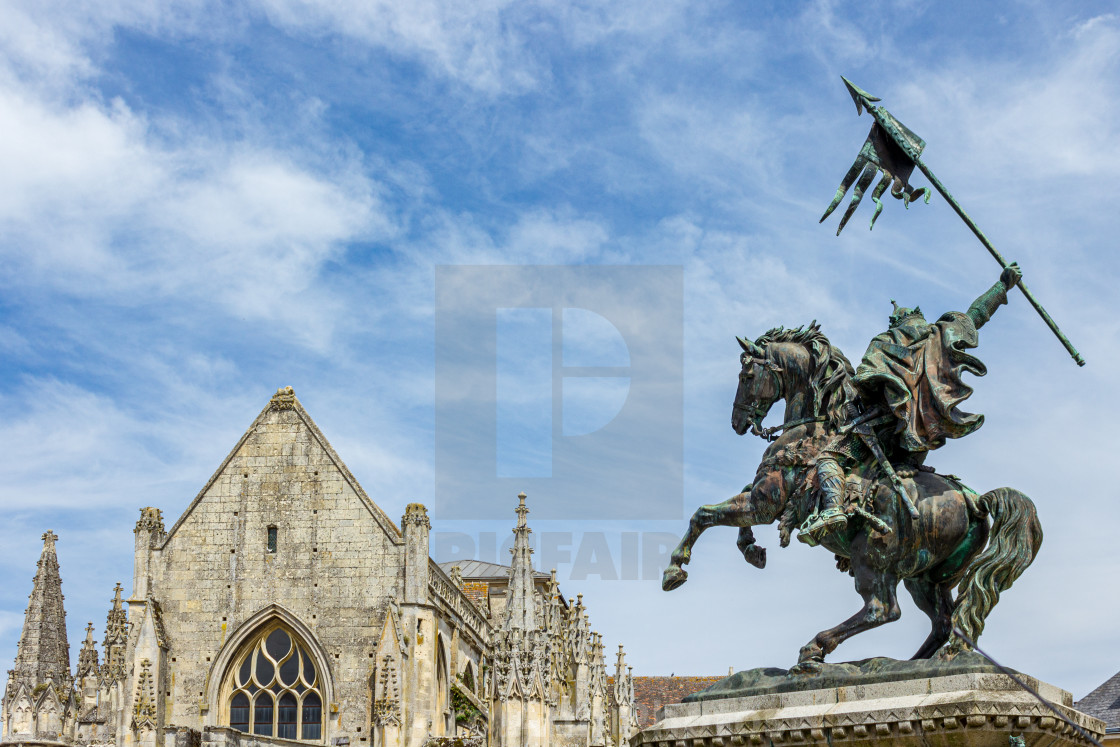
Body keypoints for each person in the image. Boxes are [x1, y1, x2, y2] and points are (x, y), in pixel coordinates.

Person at [799, 263, 1023, 544]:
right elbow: (976, 315)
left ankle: (833, 511)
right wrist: (1002, 285)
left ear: (896, 323)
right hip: (918, 442)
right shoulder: (941, 334)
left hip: (879, 430)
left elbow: (865, 385)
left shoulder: (885, 341)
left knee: (829, 457)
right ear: (919, 318)